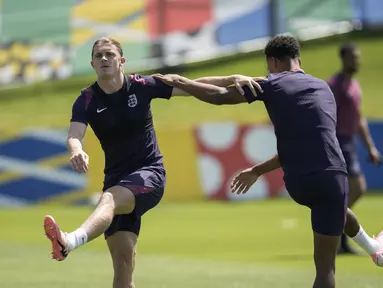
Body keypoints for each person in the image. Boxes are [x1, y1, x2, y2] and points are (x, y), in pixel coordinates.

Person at [152, 35, 383, 288]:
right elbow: (315, 140)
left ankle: (374, 249)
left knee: (339, 212)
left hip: (298, 182)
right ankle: (374, 249)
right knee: (326, 269)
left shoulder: (272, 83)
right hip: (330, 175)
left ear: (272, 62)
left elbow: (218, 96)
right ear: (299, 60)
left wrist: (180, 81)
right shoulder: (323, 88)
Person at [42, 37, 260, 288]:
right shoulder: (87, 99)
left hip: (149, 174)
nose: (104, 59)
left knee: (109, 200)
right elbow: (74, 134)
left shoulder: (142, 85)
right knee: (123, 266)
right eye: (99, 55)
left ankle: (69, 241)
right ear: (92, 63)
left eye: (110, 54)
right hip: (116, 179)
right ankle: (72, 241)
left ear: (121, 61)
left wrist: (233, 77)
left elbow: (192, 85)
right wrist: (76, 150)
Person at [327, 43, 381, 254]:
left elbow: (359, 119)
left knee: (351, 191)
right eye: (353, 57)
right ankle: (336, 223)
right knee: (357, 188)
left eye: (358, 57)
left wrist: (371, 147)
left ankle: (338, 230)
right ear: (343, 59)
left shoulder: (354, 85)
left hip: (349, 141)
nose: (357, 61)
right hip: (338, 141)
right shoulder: (335, 85)